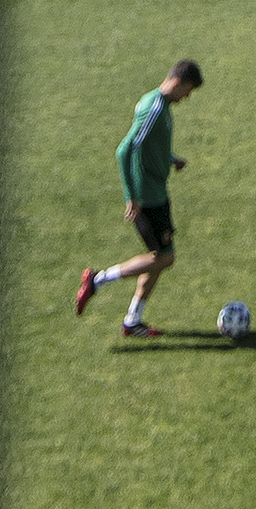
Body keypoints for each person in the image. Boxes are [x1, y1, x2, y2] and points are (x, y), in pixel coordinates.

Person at [71, 60, 203, 335]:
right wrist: (131, 196)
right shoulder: (154, 108)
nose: (187, 98)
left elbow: (149, 144)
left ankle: (133, 322)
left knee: (159, 257)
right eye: (188, 91)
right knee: (164, 258)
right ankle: (97, 280)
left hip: (156, 192)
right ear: (177, 83)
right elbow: (125, 150)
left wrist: (170, 159)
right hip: (147, 197)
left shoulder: (159, 104)